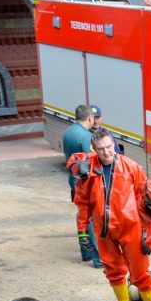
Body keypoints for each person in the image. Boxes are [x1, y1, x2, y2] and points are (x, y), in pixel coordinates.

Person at [73, 128, 151, 301]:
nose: (106, 152)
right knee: (112, 269)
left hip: (132, 227)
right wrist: (83, 231)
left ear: (115, 145)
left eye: (109, 147)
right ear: (94, 149)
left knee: (140, 272)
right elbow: (83, 203)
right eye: (101, 149)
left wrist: (148, 233)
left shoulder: (131, 167)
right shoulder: (88, 170)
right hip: (103, 230)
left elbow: (145, 200)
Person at [62, 104, 100, 267]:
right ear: (90, 118)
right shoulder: (85, 136)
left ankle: (85, 253)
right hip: (86, 185)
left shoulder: (68, 132)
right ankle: (98, 259)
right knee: (92, 219)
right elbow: (91, 161)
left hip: (74, 182)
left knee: (82, 216)